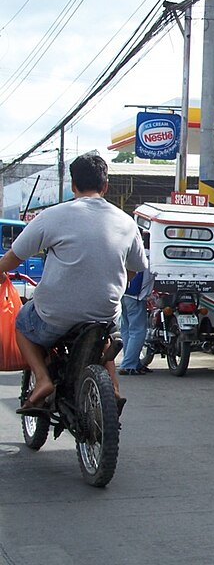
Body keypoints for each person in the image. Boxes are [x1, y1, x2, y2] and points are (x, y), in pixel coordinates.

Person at [0, 152, 147, 414]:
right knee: (104, 335)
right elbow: (135, 269)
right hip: (104, 312)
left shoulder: (52, 216)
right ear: (105, 186)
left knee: (22, 322)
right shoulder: (126, 222)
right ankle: (112, 387)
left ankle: (43, 379)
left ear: (72, 185)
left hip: (55, 314)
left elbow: (13, 257)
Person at [119, 232, 154, 375]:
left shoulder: (133, 252)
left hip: (123, 294)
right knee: (138, 331)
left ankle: (133, 361)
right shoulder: (152, 257)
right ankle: (129, 364)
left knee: (126, 330)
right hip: (137, 297)